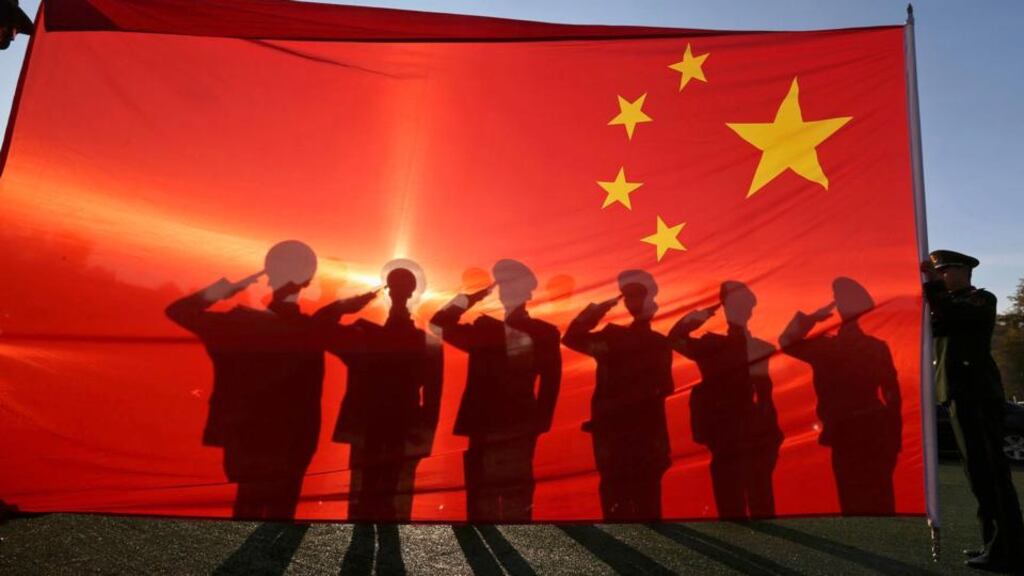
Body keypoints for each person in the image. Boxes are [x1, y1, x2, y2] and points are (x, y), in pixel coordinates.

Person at [166, 240, 371, 519]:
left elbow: (179, 311)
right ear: (308, 280)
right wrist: (339, 308)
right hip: (292, 440)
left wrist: (225, 289)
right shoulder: (311, 330)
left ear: (269, 275)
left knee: (247, 508)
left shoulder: (241, 325)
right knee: (279, 517)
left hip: (250, 435)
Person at [431, 259, 561, 522]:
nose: (506, 294)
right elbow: (438, 324)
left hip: (517, 424)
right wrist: (468, 299)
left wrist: (539, 423)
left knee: (515, 501)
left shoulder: (542, 333)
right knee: (481, 503)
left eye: (512, 288)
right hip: (486, 423)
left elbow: (551, 382)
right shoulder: (484, 331)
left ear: (526, 293)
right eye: (504, 288)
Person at [923, 250, 1024, 571]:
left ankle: (1008, 551)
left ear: (964, 271)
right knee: (979, 475)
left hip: (978, 395)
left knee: (992, 474)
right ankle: (992, 542)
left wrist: (933, 288)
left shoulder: (981, 299)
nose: (940, 277)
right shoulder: (945, 303)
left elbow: (954, 315)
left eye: (944, 271)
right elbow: (932, 325)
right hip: (957, 396)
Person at [329, 260, 443, 522]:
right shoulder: (368, 334)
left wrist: (424, 435)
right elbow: (319, 329)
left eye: (403, 286)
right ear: (389, 290)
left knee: (389, 491)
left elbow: (433, 395)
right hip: (376, 424)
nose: (399, 292)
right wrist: (349, 305)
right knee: (370, 488)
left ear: (412, 292)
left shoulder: (421, 342)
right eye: (395, 286)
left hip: (399, 424)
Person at [778, 277, 901, 516]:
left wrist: (811, 319)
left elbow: (787, 341)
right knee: (876, 498)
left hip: (852, 428)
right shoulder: (873, 347)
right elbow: (892, 394)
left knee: (857, 498)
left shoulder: (829, 347)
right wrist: (893, 437)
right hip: (870, 428)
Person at [563, 270, 673, 521]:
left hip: (641, 434)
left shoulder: (655, 343)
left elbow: (665, 387)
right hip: (615, 434)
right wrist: (597, 310)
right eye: (628, 296)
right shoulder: (613, 339)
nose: (632, 302)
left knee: (646, 506)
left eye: (638, 296)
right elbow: (571, 338)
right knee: (616, 500)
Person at [671, 281, 782, 519]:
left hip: (752, 435)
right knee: (731, 507)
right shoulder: (713, 346)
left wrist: (772, 435)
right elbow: (675, 338)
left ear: (750, 310)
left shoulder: (758, 348)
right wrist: (706, 312)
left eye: (741, 306)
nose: (737, 311)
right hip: (724, 435)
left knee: (759, 505)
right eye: (731, 305)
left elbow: (765, 393)